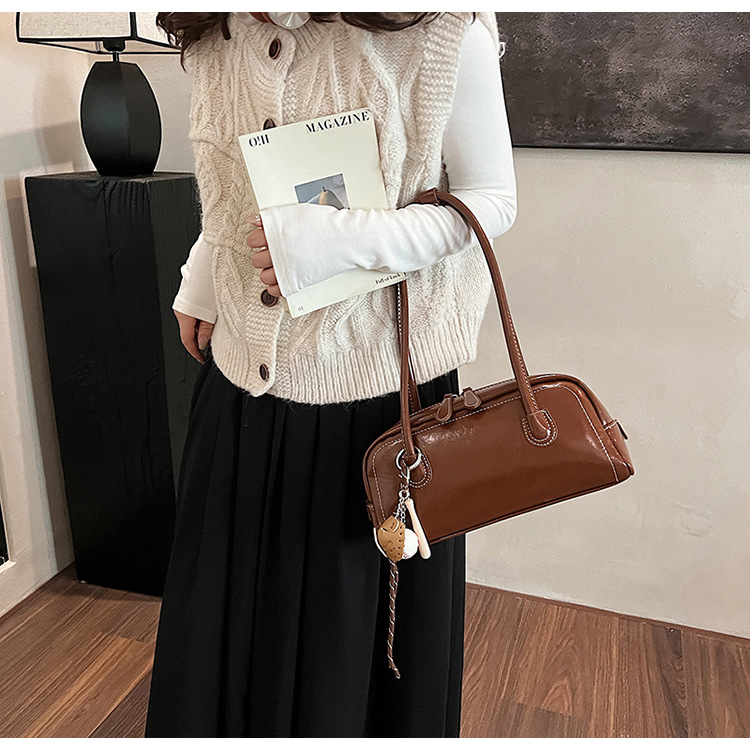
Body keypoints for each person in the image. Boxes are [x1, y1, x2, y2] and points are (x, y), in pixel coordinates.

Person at [145, 11, 517, 738]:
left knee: (341, 666)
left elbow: (492, 199)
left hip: (377, 411)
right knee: (220, 639)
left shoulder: (440, 28)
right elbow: (234, 187)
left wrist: (340, 242)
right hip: (239, 395)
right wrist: (202, 274)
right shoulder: (212, 33)